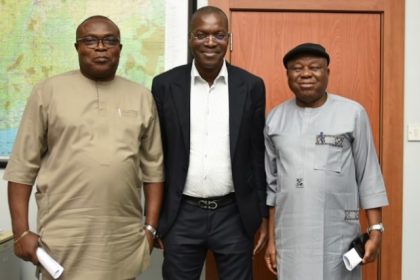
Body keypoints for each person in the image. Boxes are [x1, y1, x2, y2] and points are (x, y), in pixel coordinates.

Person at [3, 15, 164, 280]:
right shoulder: (48, 92)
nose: (100, 47)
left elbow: (154, 171)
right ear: (77, 47)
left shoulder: (141, 97)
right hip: (63, 237)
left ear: (120, 48)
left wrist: (150, 229)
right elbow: (21, 168)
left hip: (121, 237)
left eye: (109, 41)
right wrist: (21, 231)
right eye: (90, 40)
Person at [151, 6, 267, 280]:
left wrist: (262, 215)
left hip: (234, 215)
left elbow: (256, 154)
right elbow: (156, 155)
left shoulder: (251, 86)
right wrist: (154, 219)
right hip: (181, 215)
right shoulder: (165, 85)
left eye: (218, 35)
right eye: (202, 35)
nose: (211, 42)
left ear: (229, 38)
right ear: (191, 39)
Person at [263, 42, 389, 280]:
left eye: (315, 67)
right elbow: (272, 187)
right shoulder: (275, 119)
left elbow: (368, 176)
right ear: (288, 75)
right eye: (297, 68)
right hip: (291, 237)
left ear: (327, 73)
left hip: (337, 234)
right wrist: (272, 239)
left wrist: (376, 231)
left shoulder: (353, 114)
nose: (306, 74)